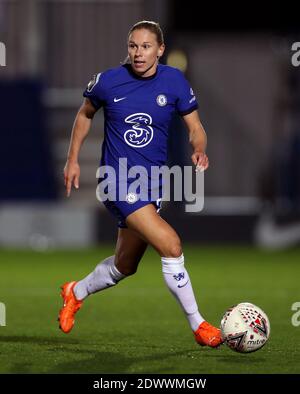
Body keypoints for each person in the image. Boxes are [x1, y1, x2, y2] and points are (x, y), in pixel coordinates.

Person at [59, 20, 223, 348]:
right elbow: (84, 114)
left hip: (152, 184)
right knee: (171, 244)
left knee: (125, 266)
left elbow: (195, 126)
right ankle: (200, 325)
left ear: (160, 50)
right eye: (133, 46)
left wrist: (199, 147)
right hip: (117, 181)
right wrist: (72, 159)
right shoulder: (108, 81)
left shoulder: (175, 82)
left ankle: (75, 292)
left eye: (146, 46)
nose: (138, 53)